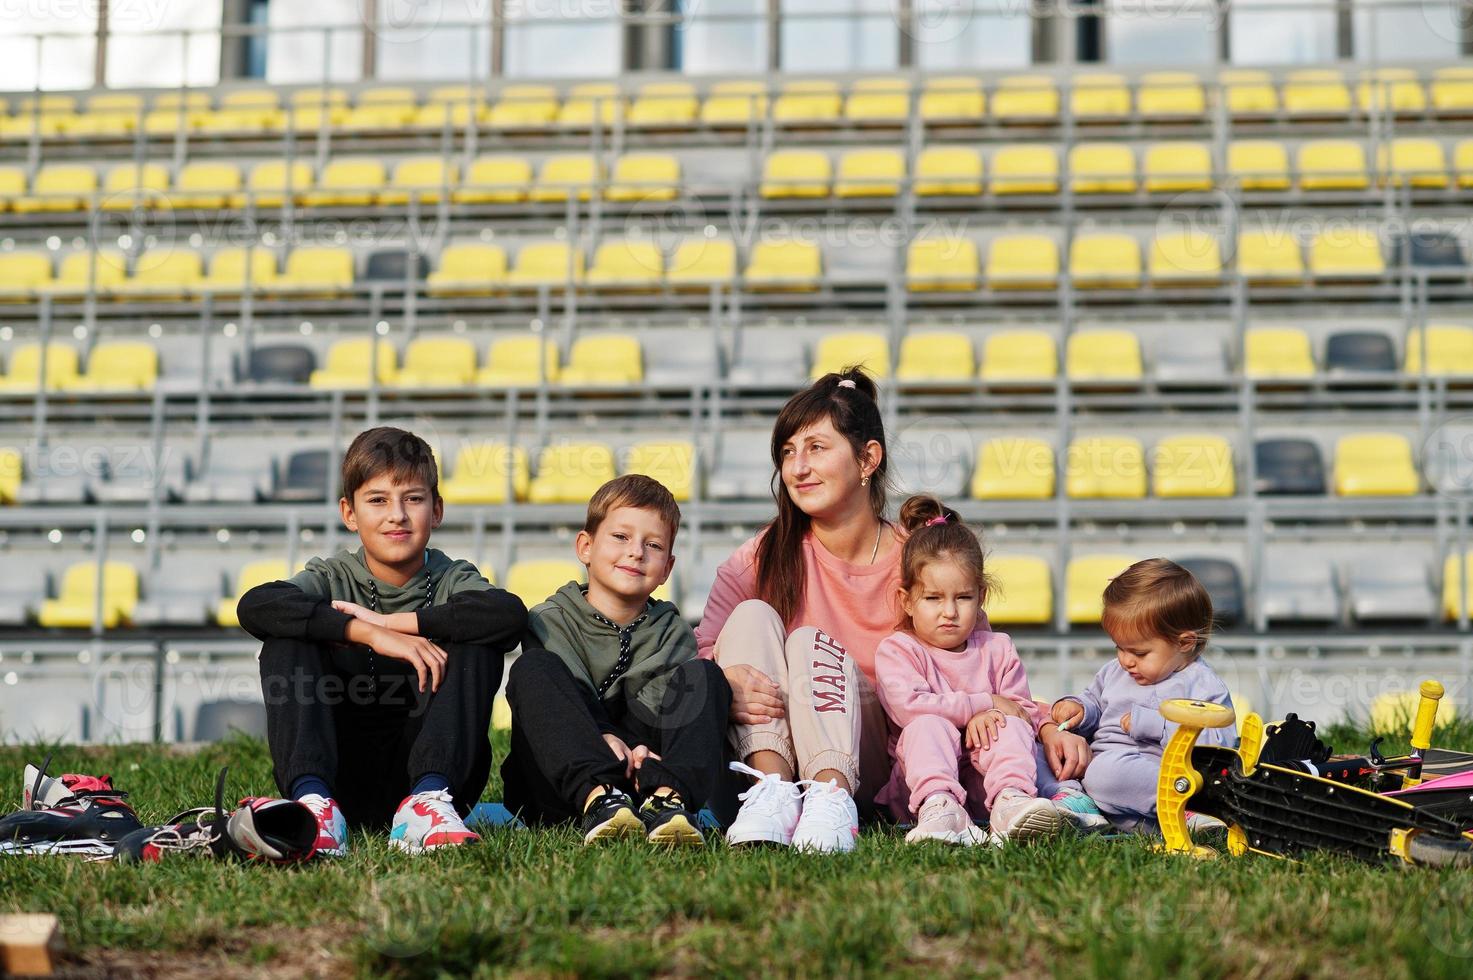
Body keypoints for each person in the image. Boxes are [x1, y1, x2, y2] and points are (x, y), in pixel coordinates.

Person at [696, 369, 1088, 850]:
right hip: (769, 741)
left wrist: (1045, 723)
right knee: (752, 616)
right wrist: (727, 678)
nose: (797, 468)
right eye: (787, 452)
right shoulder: (758, 557)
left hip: (874, 754)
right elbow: (700, 655)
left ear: (868, 459)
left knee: (809, 645)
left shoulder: (920, 560)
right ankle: (770, 796)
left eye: (817, 448)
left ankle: (832, 800)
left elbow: (972, 661)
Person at [238, 426, 526, 855]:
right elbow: (256, 606)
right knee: (287, 639)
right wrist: (365, 632)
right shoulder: (332, 576)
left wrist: (398, 624)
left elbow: (509, 614)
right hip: (343, 776)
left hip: (435, 781)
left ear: (437, 509)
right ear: (349, 513)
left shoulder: (452, 577)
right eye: (377, 500)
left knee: (477, 639)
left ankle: (426, 804)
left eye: (413, 499)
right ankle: (313, 807)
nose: (397, 515)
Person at [501, 475, 731, 846]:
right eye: (621, 537)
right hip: (561, 788)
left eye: (652, 544)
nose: (636, 552)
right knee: (534, 669)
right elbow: (566, 700)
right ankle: (601, 800)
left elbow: (661, 714)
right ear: (586, 546)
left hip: (644, 779)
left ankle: (668, 803)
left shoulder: (673, 632)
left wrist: (644, 754)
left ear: (667, 568)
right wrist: (606, 735)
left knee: (706, 675)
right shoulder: (549, 619)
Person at [873, 496, 1066, 845]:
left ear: (981, 596)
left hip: (983, 785)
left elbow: (1018, 710)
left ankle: (1012, 803)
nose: (949, 611)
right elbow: (908, 708)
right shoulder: (899, 650)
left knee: (1008, 723)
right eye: (933, 598)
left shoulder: (998, 648)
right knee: (926, 724)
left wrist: (999, 713)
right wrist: (982, 704)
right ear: (907, 601)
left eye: (962, 598)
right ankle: (941, 810)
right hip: (920, 789)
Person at [1049, 558, 1235, 831]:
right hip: (1103, 775)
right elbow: (1095, 702)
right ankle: (1077, 802)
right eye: (1119, 647)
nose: (1126, 661)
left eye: (1138, 652)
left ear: (1184, 642)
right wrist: (1080, 709)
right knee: (1045, 746)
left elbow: (1215, 750)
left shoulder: (1201, 684)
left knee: (1105, 773)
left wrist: (1153, 724)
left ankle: (1185, 806)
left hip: (1143, 776)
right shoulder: (1115, 671)